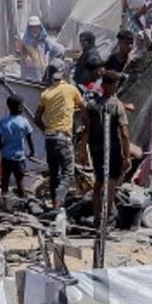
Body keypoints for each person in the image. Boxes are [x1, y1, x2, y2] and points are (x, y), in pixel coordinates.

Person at [86, 70, 132, 225]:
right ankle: (107, 218)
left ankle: (96, 217)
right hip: (112, 150)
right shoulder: (117, 107)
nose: (117, 87)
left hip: (95, 149)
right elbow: (124, 134)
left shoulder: (92, 105)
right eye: (115, 84)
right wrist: (126, 157)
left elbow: (87, 129)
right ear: (109, 85)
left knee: (98, 182)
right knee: (110, 184)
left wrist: (82, 151)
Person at [35, 65, 85, 206]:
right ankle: (58, 202)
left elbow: (36, 118)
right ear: (65, 76)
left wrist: (46, 130)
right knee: (68, 174)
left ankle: (53, 203)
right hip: (63, 137)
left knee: (54, 173)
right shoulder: (71, 90)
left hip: (49, 138)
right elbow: (85, 109)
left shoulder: (46, 93)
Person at [0, 94, 36, 200]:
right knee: (20, 180)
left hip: (6, 157)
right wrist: (32, 151)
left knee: (5, 179)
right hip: (19, 157)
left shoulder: (3, 122)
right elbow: (29, 138)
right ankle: (22, 201)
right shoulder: (24, 122)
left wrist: (2, 149)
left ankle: (4, 200)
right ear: (19, 107)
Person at [17, 16, 62, 82]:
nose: (35, 29)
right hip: (28, 76)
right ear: (29, 28)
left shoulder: (44, 40)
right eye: (32, 27)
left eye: (37, 27)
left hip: (41, 74)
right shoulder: (25, 42)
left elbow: (58, 49)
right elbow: (24, 56)